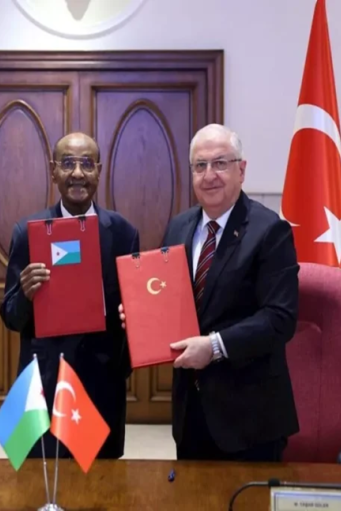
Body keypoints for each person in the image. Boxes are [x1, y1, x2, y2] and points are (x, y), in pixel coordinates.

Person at [120, 124, 300, 461]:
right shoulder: (179, 226)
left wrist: (215, 346)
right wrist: (140, 312)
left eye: (220, 163)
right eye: (200, 166)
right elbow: (169, 300)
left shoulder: (270, 230)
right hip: (191, 413)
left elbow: (280, 318)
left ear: (241, 170)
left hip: (251, 418)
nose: (209, 175)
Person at [0, 132, 140, 460]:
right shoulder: (28, 232)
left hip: (101, 387)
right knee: (38, 481)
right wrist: (26, 294)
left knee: (102, 482)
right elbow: (10, 316)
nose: (77, 173)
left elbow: (133, 313)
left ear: (99, 171)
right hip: (44, 385)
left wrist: (122, 364)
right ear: (53, 171)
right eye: (67, 163)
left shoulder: (123, 233)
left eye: (87, 164)